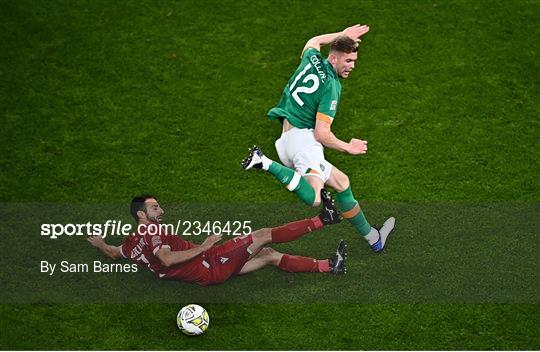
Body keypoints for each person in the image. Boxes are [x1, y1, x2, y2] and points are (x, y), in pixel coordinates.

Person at [242, 24, 395, 252]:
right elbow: (321, 134)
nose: (352, 66)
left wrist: (341, 35)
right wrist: (348, 148)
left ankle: (374, 238)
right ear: (333, 59)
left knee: (342, 183)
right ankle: (263, 162)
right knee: (314, 197)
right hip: (303, 143)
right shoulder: (332, 86)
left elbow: (313, 41)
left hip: (286, 139)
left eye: (354, 61)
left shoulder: (313, 59)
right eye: (348, 61)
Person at [88, 193, 346, 286]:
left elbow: (114, 253)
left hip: (207, 270)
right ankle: (325, 218)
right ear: (142, 214)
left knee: (268, 256)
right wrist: (205, 246)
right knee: (262, 236)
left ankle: (328, 265)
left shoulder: (132, 241)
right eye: (155, 208)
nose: (162, 210)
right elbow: (165, 259)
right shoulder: (153, 232)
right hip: (210, 263)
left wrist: (100, 243)